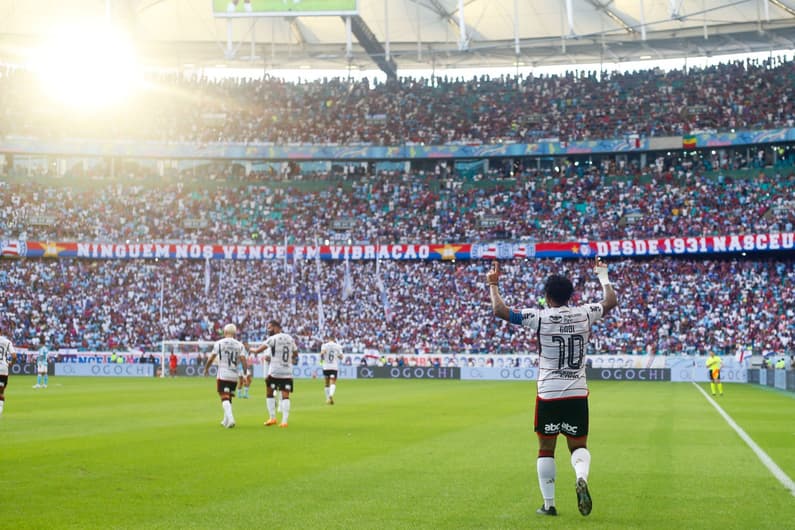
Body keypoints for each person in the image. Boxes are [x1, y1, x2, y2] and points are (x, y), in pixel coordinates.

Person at [486, 258, 617, 517]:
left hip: (549, 394)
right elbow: (610, 301)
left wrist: (493, 283)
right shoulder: (585, 313)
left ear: (547, 296)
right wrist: (603, 275)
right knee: (578, 446)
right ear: (571, 296)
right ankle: (581, 477)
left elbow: (501, 311)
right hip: (577, 393)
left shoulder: (540, 317)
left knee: (546, 448)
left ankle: (549, 505)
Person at [251, 320, 298, 428]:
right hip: (287, 371)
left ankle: (272, 418)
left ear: (276, 327)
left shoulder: (272, 339)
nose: (268, 330)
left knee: (269, 392)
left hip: (275, 371)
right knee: (286, 395)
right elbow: (296, 353)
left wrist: (251, 349)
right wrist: (288, 360)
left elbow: (258, 350)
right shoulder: (290, 338)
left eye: (270, 328)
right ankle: (284, 421)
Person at [204, 323, 247, 429]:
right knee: (229, 397)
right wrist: (245, 372)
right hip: (234, 375)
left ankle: (231, 419)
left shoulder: (219, 343)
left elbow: (211, 357)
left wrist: (206, 368)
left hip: (223, 373)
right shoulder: (239, 345)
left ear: (225, 332)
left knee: (224, 396)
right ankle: (225, 420)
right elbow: (243, 360)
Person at [319, 334, 344, 405]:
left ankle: (327, 399)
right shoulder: (338, 346)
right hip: (334, 367)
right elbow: (342, 357)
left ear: (329, 339)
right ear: (334, 339)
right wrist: (337, 355)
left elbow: (322, 353)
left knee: (326, 383)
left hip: (326, 367)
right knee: (333, 382)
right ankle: (331, 395)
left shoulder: (324, 345)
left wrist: (321, 360)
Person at [0, 330, 17, 417]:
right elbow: (14, 356)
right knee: (1, 391)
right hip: (3, 369)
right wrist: (11, 363)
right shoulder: (7, 342)